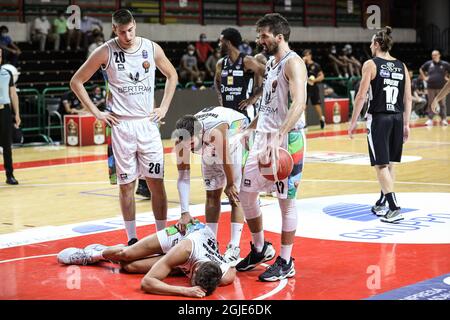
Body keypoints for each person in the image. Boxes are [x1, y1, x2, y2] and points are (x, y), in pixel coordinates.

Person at [69, 9, 178, 245]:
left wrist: (164, 108)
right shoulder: (105, 51)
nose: (127, 36)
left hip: (147, 125)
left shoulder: (151, 48)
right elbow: (76, 81)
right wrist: (96, 113)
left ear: (135, 26)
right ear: (114, 29)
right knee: (127, 185)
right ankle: (131, 238)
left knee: (156, 182)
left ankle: (162, 236)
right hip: (121, 127)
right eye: (121, 32)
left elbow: (172, 75)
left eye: (130, 30)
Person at [235, 13, 307, 282]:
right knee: (246, 193)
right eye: (258, 35)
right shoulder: (272, 65)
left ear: (279, 37)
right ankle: (259, 247)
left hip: (288, 140)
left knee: (285, 202)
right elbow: (267, 107)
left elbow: (299, 103)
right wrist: (250, 127)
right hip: (264, 138)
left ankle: (286, 260)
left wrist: (281, 134)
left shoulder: (294, 63)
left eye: (263, 35)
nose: (258, 40)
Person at [57, 221, 236, 297]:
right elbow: (147, 283)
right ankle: (92, 254)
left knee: (129, 267)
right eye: (192, 281)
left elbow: (232, 266)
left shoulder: (225, 275)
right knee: (125, 256)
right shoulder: (184, 249)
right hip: (184, 234)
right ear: (194, 270)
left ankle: (108, 252)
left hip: (197, 251)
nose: (190, 284)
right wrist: (184, 291)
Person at [348, 26, 412, 224]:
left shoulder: (370, 64)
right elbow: (408, 98)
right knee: (389, 162)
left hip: (379, 118)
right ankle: (383, 200)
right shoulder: (402, 65)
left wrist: (352, 122)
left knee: (380, 165)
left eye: (371, 43)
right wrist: (407, 124)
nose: (369, 45)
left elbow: (361, 96)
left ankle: (394, 208)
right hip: (397, 117)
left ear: (376, 44)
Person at [173, 106, 251, 263]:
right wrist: (184, 212)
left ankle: (234, 246)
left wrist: (230, 184)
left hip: (238, 136)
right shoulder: (181, 140)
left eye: (192, 144)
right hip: (211, 145)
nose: (189, 149)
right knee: (211, 194)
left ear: (200, 134)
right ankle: (210, 242)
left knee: (235, 195)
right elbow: (183, 176)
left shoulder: (216, 132)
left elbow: (226, 158)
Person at [214, 28, 265, 121]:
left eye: (221, 42)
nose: (219, 44)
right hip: (227, 113)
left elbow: (271, 75)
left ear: (228, 43)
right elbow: (217, 81)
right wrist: (220, 95)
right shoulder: (221, 63)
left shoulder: (247, 61)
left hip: (245, 113)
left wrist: (255, 97)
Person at [0, 48, 21, 185]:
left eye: (0, 55)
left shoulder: (6, 73)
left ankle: (10, 175)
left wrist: (17, 114)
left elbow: (13, 94)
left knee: (7, 144)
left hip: (4, 111)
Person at [420, 50, 450, 126]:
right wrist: (424, 77)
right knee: (431, 103)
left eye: (435, 55)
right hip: (431, 87)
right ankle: (430, 119)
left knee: (442, 104)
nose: (434, 56)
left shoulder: (445, 64)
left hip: (442, 87)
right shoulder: (428, 63)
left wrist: (447, 78)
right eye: (433, 55)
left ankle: (443, 119)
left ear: (439, 55)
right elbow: (421, 69)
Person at [302, 49, 325, 129]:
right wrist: (303, 61)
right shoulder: (302, 65)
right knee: (304, 106)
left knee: (316, 105)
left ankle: (321, 119)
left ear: (311, 56)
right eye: (305, 55)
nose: (307, 57)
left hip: (313, 87)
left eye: (308, 55)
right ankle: (304, 123)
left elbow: (322, 76)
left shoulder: (316, 65)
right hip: (304, 88)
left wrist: (314, 80)